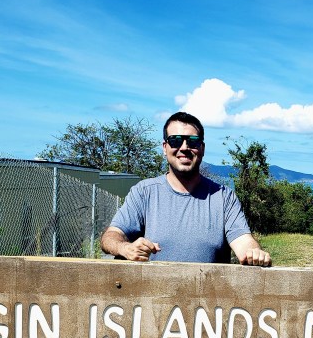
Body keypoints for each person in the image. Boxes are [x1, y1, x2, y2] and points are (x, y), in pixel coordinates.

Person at [101, 112, 271, 266]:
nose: (184, 148)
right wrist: (125, 248)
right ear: (165, 147)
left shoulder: (224, 197)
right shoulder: (144, 192)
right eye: (175, 140)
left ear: (202, 149)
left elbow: (243, 241)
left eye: (193, 141)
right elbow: (111, 236)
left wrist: (254, 252)